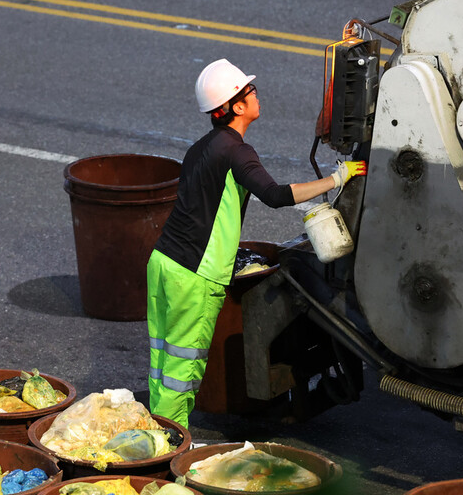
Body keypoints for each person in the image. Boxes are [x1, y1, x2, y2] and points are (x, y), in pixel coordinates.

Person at [147, 58, 367, 429]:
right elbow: (276, 195)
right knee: (184, 367)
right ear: (235, 105)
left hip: (164, 262)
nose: (256, 95)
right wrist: (336, 178)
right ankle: (170, 447)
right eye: (250, 91)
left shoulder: (199, 148)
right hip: (196, 275)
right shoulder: (237, 151)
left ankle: (154, 429)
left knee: (162, 361)